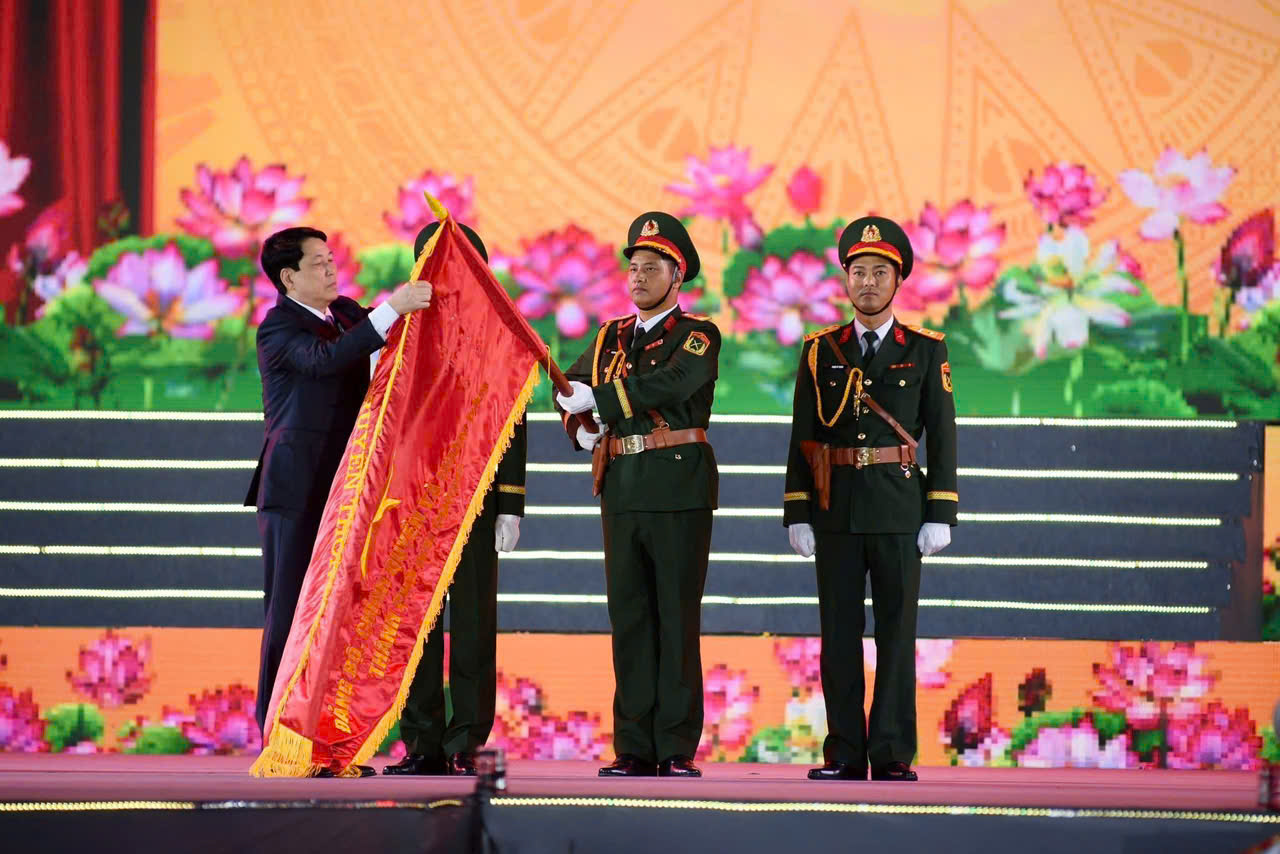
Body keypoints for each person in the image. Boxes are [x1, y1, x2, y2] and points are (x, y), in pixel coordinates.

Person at [244, 226, 433, 777]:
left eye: (331, 260)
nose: (331, 270)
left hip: (350, 493)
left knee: (339, 621)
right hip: (297, 493)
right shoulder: (278, 328)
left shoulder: (346, 312)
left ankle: (327, 742)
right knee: (290, 617)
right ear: (288, 277)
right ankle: (280, 739)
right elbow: (324, 360)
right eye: (318, 263)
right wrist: (391, 308)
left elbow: (393, 340)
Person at [783, 216, 957, 782]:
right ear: (846, 279)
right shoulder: (820, 350)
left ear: (898, 280)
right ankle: (842, 752)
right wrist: (797, 511)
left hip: (898, 509)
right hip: (834, 508)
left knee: (896, 635)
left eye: (880, 272)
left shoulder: (926, 349)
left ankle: (891, 753)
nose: (868, 282)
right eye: (858, 271)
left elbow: (943, 434)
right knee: (838, 636)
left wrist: (940, 512)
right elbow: (803, 435)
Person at [555, 211, 719, 778]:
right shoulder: (609, 336)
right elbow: (568, 386)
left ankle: (674, 746)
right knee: (629, 617)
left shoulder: (698, 334)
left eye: (652, 267)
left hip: (677, 486)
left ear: (678, 276)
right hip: (622, 486)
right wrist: (579, 424)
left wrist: (599, 400)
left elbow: (673, 383)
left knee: (675, 616)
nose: (640, 276)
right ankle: (633, 746)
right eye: (634, 267)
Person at [383, 222, 527, 777]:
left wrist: (510, 504)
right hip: (409, 501)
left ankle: (466, 741)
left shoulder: (497, 335)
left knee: (472, 625)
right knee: (414, 627)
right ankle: (421, 742)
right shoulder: (399, 329)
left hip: (475, 498)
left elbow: (512, 422)